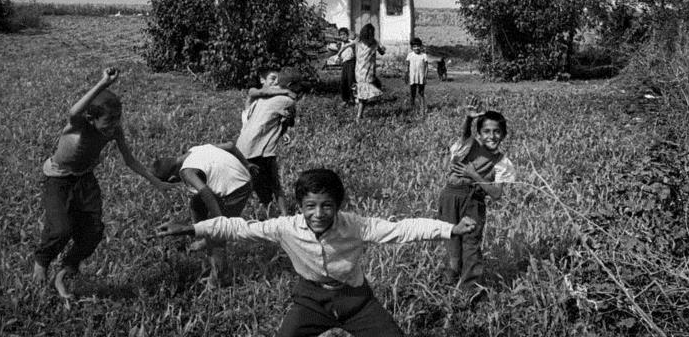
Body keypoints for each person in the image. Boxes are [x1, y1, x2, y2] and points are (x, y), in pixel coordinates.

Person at [155, 168, 478, 337]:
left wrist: (450, 229)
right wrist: (191, 228)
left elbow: (403, 229)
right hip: (309, 300)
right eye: (311, 206)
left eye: (327, 206)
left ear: (339, 206)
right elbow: (237, 227)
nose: (319, 213)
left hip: (356, 301)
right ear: (300, 206)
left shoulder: (356, 226)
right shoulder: (285, 227)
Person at [32, 67, 174, 298]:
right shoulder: (78, 125)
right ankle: (42, 261)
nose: (114, 125)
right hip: (58, 179)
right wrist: (103, 83)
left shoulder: (114, 131)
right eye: (108, 121)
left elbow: (130, 160)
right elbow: (74, 110)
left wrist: (155, 181)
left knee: (95, 231)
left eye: (117, 119)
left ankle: (67, 268)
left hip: (85, 180)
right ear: (92, 118)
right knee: (61, 229)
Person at [437, 96, 515, 289]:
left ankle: (470, 288)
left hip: (473, 202)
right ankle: (451, 277)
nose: (492, 136)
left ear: (503, 135)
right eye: (486, 131)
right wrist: (468, 119)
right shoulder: (469, 146)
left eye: (497, 132)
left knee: (471, 244)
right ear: (479, 134)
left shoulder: (502, 162)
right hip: (450, 196)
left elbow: (496, 194)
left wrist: (474, 175)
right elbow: (464, 135)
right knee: (451, 238)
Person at [152, 141, 253, 288]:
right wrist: (247, 165)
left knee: (215, 236)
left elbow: (206, 193)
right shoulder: (194, 150)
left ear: (173, 180)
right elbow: (230, 146)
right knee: (196, 204)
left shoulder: (187, 172)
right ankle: (203, 236)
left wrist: (218, 222)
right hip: (237, 177)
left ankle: (219, 279)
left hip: (237, 189)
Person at [237, 67, 302, 218]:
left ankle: (268, 213)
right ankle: (284, 216)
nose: (300, 89)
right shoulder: (288, 100)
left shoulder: (261, 97)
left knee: (256, 184)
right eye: (299, 85)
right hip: (260, 148)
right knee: (274, 184)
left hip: (242, 146)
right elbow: (289, 123)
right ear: (292, 84)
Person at [354, 23, 386, 122]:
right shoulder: (373, 43)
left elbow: (356, 52)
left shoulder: (359, 42)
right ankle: (359, 116)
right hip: (367, 72)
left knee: (363, 92)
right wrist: (381, 47)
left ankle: (358, 103)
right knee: (364, 95)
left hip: (359, 71)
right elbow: (382, 52)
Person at [404, 37, 429, 115]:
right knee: (413, 93)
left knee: (421, 93)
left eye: (418, 46)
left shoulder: (424, 55)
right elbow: (407, 66)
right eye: (414, 46)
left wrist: (425, 76)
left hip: (421, 77)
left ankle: (422, 108)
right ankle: (412, 107)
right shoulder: (410, 55)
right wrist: (406, 75)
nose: (417, 48)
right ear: (412, 47)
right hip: (413, 77)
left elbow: (426, 67)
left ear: (421, 46)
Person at [336, 27, 356, 106]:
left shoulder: (351, 42)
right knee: (343, 82)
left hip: (351, 63)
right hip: (344, 64)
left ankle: (354, 99)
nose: (342, 36)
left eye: (344, 34)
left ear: (347, 35)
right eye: (341, 35)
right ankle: (345, 100)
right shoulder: (340, 44)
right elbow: (341, 55)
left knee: (351, 81)